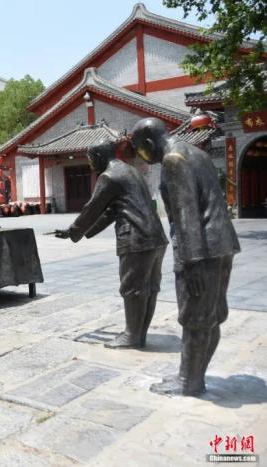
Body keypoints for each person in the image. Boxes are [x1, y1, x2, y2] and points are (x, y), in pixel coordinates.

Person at [131, 117, 240, 396]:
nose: (140, 156)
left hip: (201, 250)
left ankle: (188, 381)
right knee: (211, 315)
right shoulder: (196, 153)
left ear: (148, 143)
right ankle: (194, 375)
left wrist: (191, 263)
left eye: (138, 149)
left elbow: (186, 214)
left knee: (195, 317)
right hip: (222, 243)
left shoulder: (173, 159)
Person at [55, 138, 168, 349]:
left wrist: (74, 231)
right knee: (150, 288)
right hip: (156, 238)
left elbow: (93, 208)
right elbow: (111, 212)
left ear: (98, 157)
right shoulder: (129, 170)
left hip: (136, 238)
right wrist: (81, 232)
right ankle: (139, 334)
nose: (90, 166)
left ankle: (132, 336)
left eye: (90, 160)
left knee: (133, 289)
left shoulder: (108, 176)